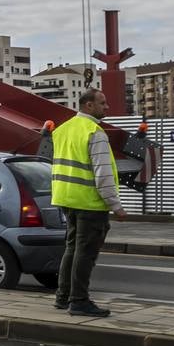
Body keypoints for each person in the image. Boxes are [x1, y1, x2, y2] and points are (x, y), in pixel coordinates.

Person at [50, 88, 127, 317]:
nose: (107, 107)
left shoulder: (62, 130)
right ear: (88, 105)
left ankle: (63, 297)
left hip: (66, 198)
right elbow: (102, 174)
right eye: (103, 103)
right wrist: (115, 205)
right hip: (89, 202)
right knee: (85, 253)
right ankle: (79, 301)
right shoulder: (95, 132)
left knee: (72, 249)